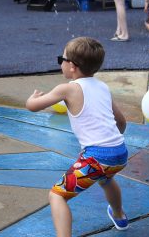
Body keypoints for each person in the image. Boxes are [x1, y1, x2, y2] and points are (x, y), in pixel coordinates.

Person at [26, 37, 129, 235]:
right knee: (106, 179)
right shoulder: (102, 87)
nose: (60, 63)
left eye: (61, 59)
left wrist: (32, 99)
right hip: (120, 152)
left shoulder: (67, 88)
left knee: (57, 196)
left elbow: (32, 107)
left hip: (96, 158)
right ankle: (119, 215)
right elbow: (121, 122)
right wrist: (111, 146)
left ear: (72, 66)